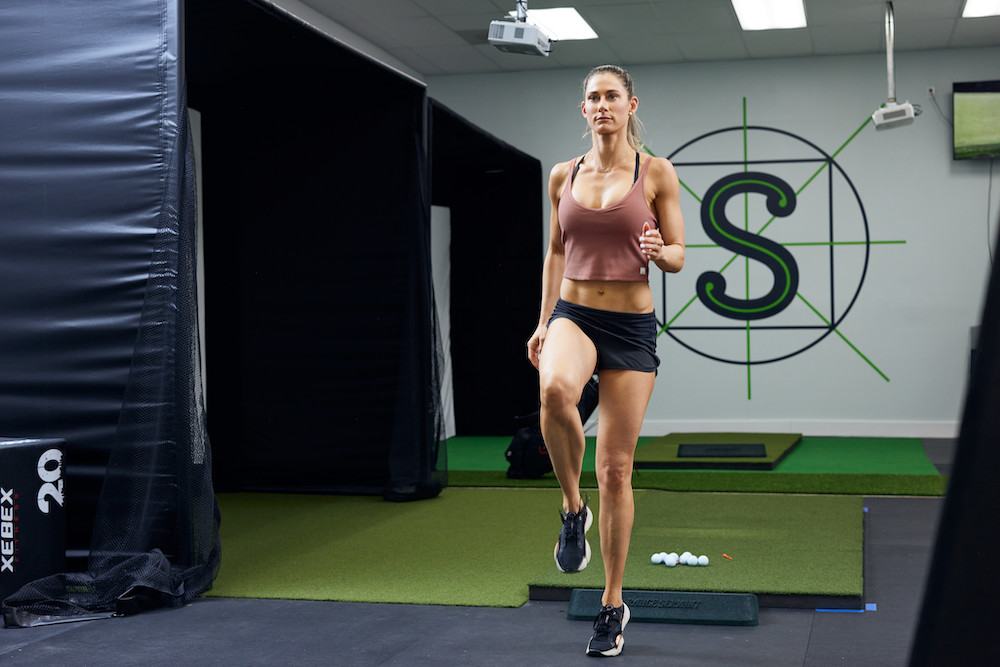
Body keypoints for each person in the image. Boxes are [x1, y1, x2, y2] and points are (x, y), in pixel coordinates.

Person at [526, 64, 685, 658]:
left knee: (616, 469)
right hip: (574, 313)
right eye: (592, 97)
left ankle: (612, 604)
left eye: (611, 96)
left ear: (630, 104)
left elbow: (679, 254)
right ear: (583, 109)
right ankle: (573, 510)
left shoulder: (656, 172)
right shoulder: (562, 175)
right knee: (553, 392)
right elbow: (555, 252)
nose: (601, 105)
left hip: (631, 328)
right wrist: (544, 321)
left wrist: (659, 251)